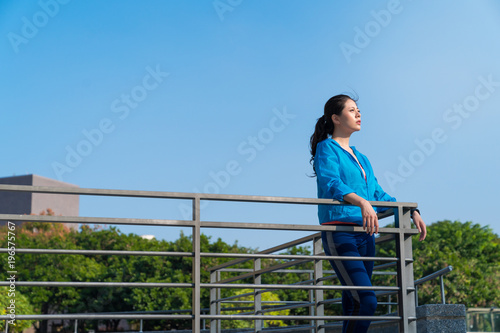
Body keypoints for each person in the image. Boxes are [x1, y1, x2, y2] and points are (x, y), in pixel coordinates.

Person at [309, 94, 427, 333]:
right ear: (336, 118)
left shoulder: (361, 157)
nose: (358, 114)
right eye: (352, 110)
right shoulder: (326, 148)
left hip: (366, 235)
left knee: (354, 302)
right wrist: (361, 202)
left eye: (358, 110)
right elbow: (330, 182)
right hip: (340, 232)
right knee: (367, 300)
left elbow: (377, 194)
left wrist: (410, 210)